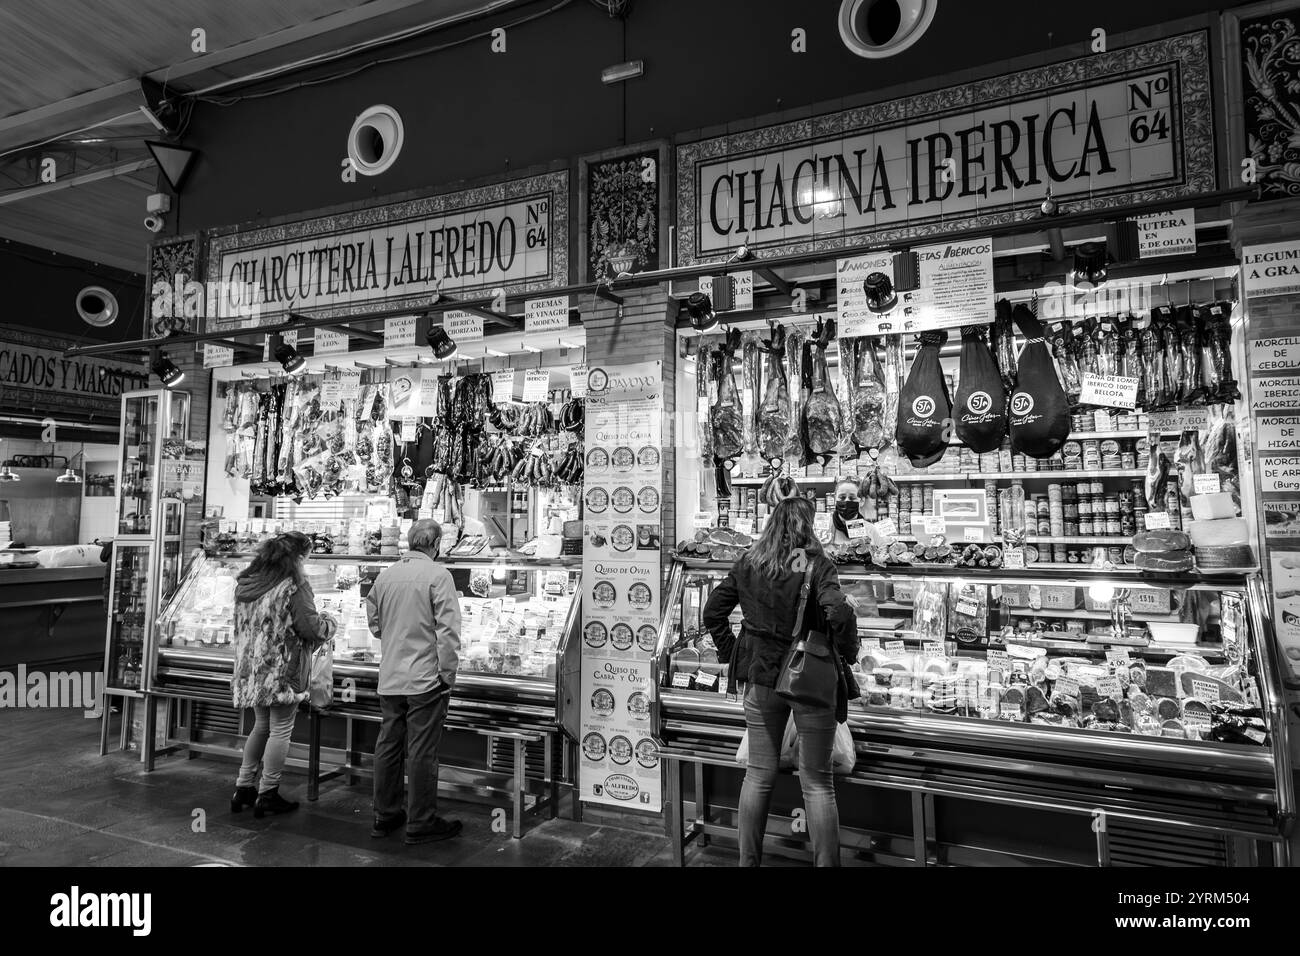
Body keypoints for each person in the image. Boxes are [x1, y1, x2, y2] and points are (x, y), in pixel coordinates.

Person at [702, 496, 860, 867]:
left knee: (758, 775)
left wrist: (733, 653)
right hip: (808, 679)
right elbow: (837, 610)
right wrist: (848, 650)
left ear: (773, 523)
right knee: (817, 783)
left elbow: (713, 612)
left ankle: (748, 862)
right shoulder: (812, 562)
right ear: (808, 524)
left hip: (760, 676)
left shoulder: (751, 561)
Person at [366, 518, 463, 844]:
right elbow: (447, 633)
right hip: (425, 681)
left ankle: (385, 815)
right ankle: (421, 821)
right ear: (436, 545)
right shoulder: (439, 576)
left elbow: (375, 625)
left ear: (409, 543)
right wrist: (447, 675)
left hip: (391, 676)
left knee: (388, 745)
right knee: (421, 751)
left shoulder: (386, 576)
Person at [230, 531, 335, 818]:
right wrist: (330, 624)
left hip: (252, 668)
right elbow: (310, 628)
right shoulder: (294, 585)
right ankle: (268, 792)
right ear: (298, 556)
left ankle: (243, 787)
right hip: (281, 667)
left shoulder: (248, 583)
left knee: (260, 725)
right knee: (281, 729)